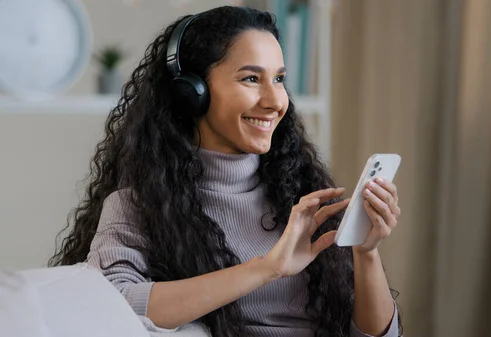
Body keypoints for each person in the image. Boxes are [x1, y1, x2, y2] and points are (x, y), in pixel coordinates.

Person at [50, 6, 402, 337]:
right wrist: (267, 268)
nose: (275, 101)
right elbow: (108, 304)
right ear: (192, 92)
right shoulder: (139, 206)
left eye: (279, 79)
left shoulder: (301, 193)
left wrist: (366, 252)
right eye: (251, 78)